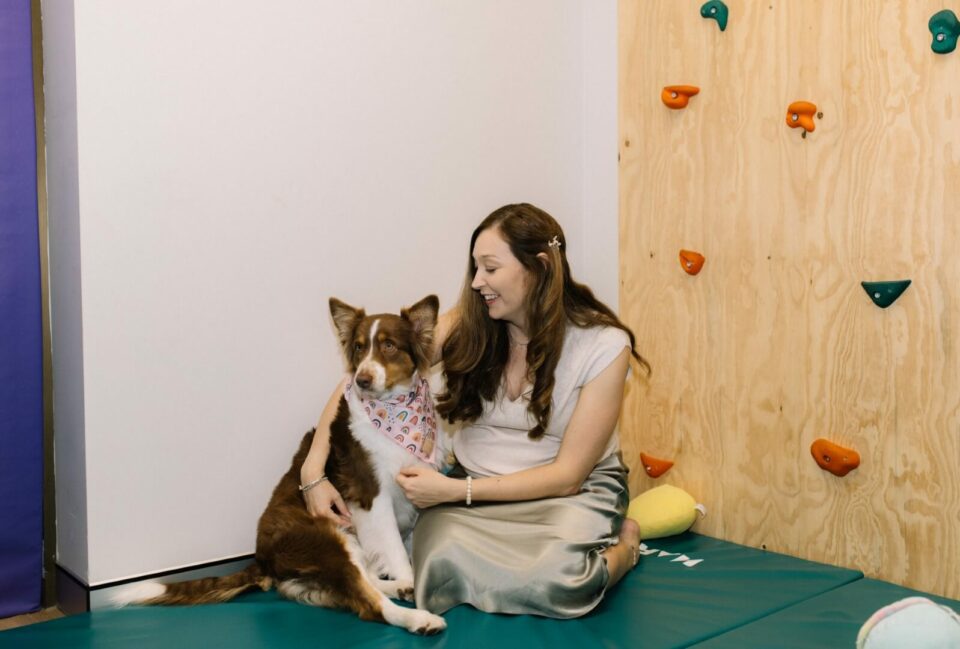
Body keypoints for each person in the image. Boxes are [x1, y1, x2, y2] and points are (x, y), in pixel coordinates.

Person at [300, 203, 648, 618]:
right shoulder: (468, 325)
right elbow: (354, 386)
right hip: (477, 487)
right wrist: (312, 471)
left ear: (538, 267)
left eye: (490, 268)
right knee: (427, 571)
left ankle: (624, 550)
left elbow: (568, 477)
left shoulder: (603, 346)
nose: (478, 281)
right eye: (475, 268)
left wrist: (454, 491)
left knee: (559, 580)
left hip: (567, 494)